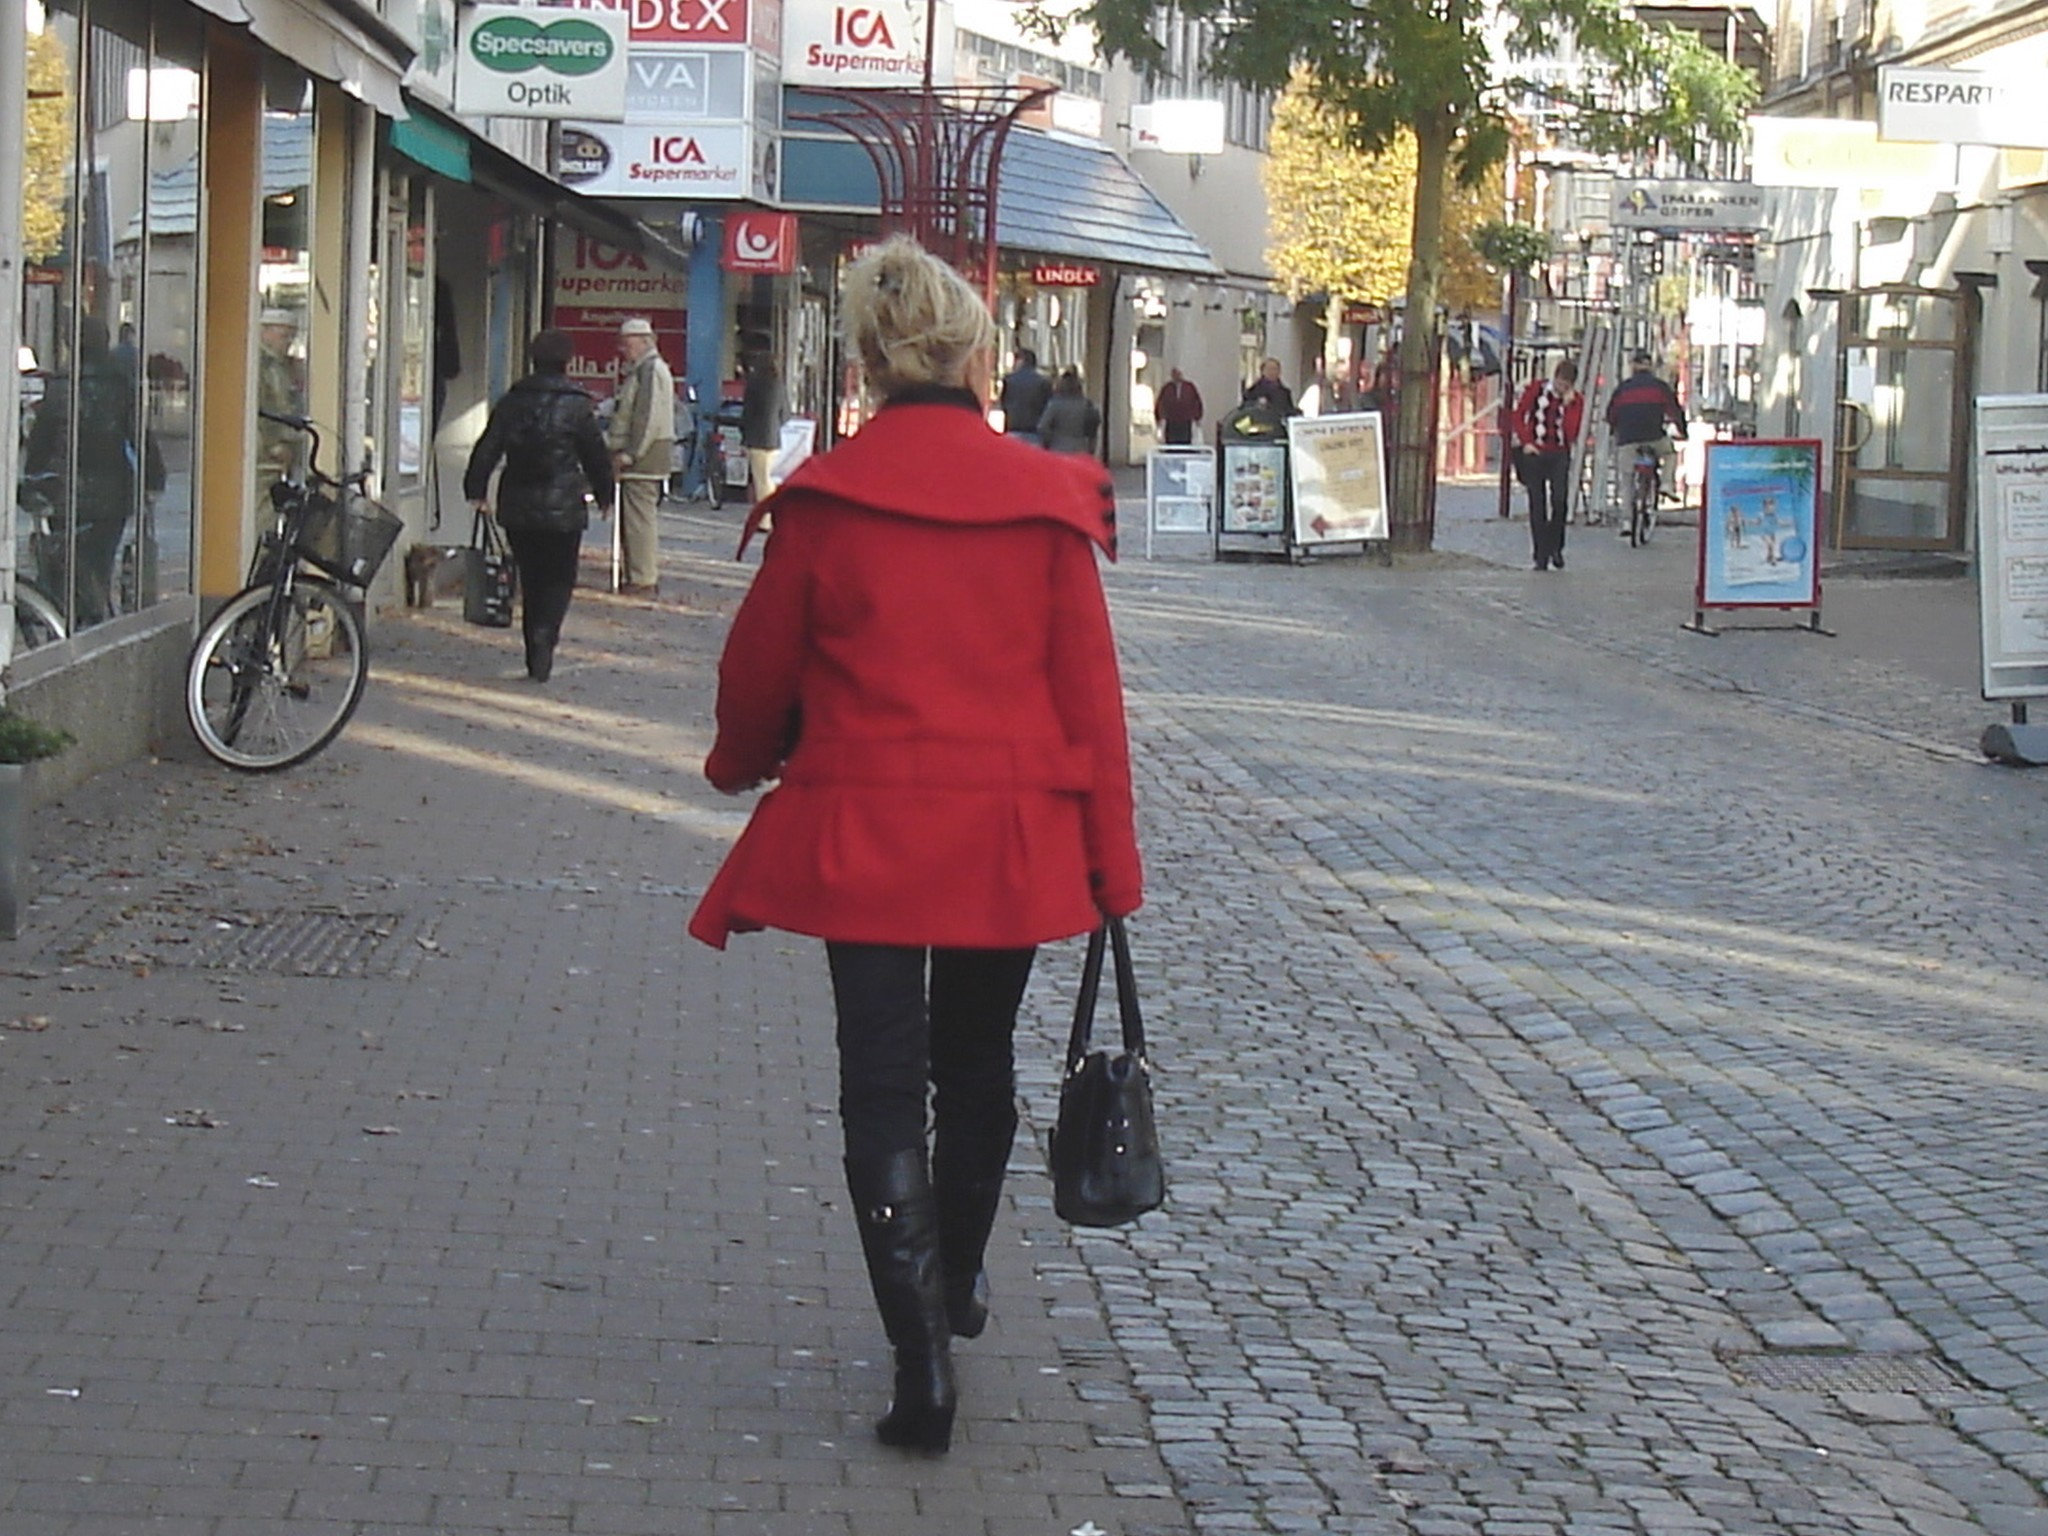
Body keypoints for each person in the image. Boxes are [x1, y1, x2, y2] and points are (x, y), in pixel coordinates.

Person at [688, 235, 1142, 1456]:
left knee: (878, 1086)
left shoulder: (828, 503)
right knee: (977, 1069)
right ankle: (958, 1274)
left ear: (867, 359)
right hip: (1006, 834)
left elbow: (756, 677)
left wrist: (739, 765)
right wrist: (1111, 867)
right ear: (976, 354)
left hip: (866, 829)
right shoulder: (1047, 505)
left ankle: (921, 1356)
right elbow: (1087, 703)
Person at [462, 329, 616, 683]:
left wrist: (476, 487)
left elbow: (488, 446)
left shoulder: (513, 401)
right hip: (563, 506)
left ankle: (535, 641)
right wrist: (605, 494)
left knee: (531, 577)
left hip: (518, 503)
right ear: (567, 362)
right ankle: (546, 636)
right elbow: (595, 454)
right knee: (560, 577)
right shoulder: (577, 405)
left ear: (533, 360)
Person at [23, 314, 155, 627]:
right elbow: (139, 434)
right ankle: (93, 619)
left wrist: (32, 478)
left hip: (66, 490)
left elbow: (42, 440)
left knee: (66, 566)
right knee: (99, 563)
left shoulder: (61, 385)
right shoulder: (120, 383)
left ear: (72, 343)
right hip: (113, 493)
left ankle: (69, 621)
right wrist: (152, 476)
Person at [607, 317, 675, 596]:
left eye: (628, 343)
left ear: (644, 341)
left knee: (638, 520)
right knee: (635, 518)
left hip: (643, 458)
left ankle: (643, 577)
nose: (624, 349)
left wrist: (632, 453)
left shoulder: (649, 371)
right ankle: (637, 573)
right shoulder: (645, 369)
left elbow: (647, 416)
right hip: (644, 455)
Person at [1512, 358, 1585, 572]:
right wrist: (1526, 442)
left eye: (1567, 386)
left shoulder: (1576, 401)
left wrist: (1569, 406)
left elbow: (1572, 432)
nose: (1562, 389)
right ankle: (1540, 555)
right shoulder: (1537, 390)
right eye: (1560, 384)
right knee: (1537, 503)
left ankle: (1556, 546)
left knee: (1560, 500)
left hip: (1559, 453)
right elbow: (1519, 416)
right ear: (1555, 378)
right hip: (1536, 451)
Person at [1605, 349, 1687, 508]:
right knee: (1671, 453)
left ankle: (1627, 522)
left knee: (1627, 478)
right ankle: (1666, 484)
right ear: (1651, 366)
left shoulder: (1623, 389)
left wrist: (1614, 431)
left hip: (1628, 439)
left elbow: (1611, 414)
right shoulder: (1660, 387)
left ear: (1632, 366)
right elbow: (1675, 412)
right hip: (1654, 437)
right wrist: (1683, 431)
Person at [740, 349, 787, 502]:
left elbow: (747, 413)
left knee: (761, 481)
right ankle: (771, 515)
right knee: (769, 480)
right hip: (774, 441)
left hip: (756, 440)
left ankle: (765, 519)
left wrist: (744, 436)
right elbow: (785, 414)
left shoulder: (754, 384)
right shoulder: (779, 384)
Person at [1036, 367, 1101, 457]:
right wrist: (1091, 450)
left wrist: (1047, 443)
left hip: (1057, 448)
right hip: (1080, 448)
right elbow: (1093, 429)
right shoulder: (1087, 405)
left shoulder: (1054, 405)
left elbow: (1042, 427)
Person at [996, 346, 1052, 444]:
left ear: (1020, 361)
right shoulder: (1043, 382)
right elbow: (1047, 406)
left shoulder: (1009, 380)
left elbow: (1003, 404)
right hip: (1034, 430)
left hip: (1013, 428)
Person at [1154, 367, 1204, 445]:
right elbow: (1161, 403)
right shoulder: (1167, 388)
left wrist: (1197, 417)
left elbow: (1196, 402)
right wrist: (1160, 418)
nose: (1176, 376)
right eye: (1174, 374)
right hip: (1171, 422)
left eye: (1178, 374)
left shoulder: (1189, 387)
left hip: (1186, 422)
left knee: (1185, 444)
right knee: (1172, 444)